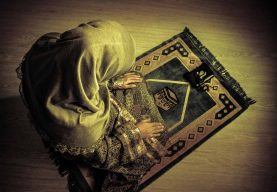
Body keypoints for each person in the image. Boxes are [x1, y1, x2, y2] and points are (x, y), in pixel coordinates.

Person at [17, 20, 168, 192]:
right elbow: (102, 155)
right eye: (107, 69)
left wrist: (111, 81)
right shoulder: (80, 126)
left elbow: (77, 71)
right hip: (71, 131)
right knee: (155, 144)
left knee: (135, 80)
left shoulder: (48, 47)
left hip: (50, 96)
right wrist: (137, 133)